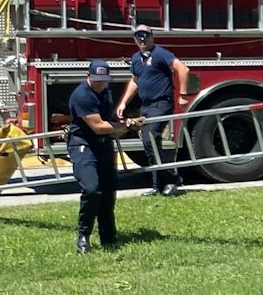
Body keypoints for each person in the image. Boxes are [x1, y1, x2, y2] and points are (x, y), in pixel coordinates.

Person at [65, 61, 138, 253]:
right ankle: (83, 236)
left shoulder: (105, 91)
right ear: (87, 76)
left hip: (104, 145)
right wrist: (127, 126)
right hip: (83, 145)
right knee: (91, 189)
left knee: (108, 191)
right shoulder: (82, 96)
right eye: (97, 80)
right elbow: (98, 127)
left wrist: (126, 119)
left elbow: (109, 119)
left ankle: (108, 237)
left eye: (104, 80)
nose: (100, 84)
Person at [118, 23, 189, 197]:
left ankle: (173, 180)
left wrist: (183, 95)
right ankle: (156, 185)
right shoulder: (136, 58)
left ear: (152, 37)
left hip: (161, 104)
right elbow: (135, 81)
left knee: (151, 140)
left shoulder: (160, 53)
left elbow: (183, 69)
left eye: (145, 36)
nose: (142, 40)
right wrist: (123, 103)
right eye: (138, 37)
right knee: (149, 144)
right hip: (146, 106)